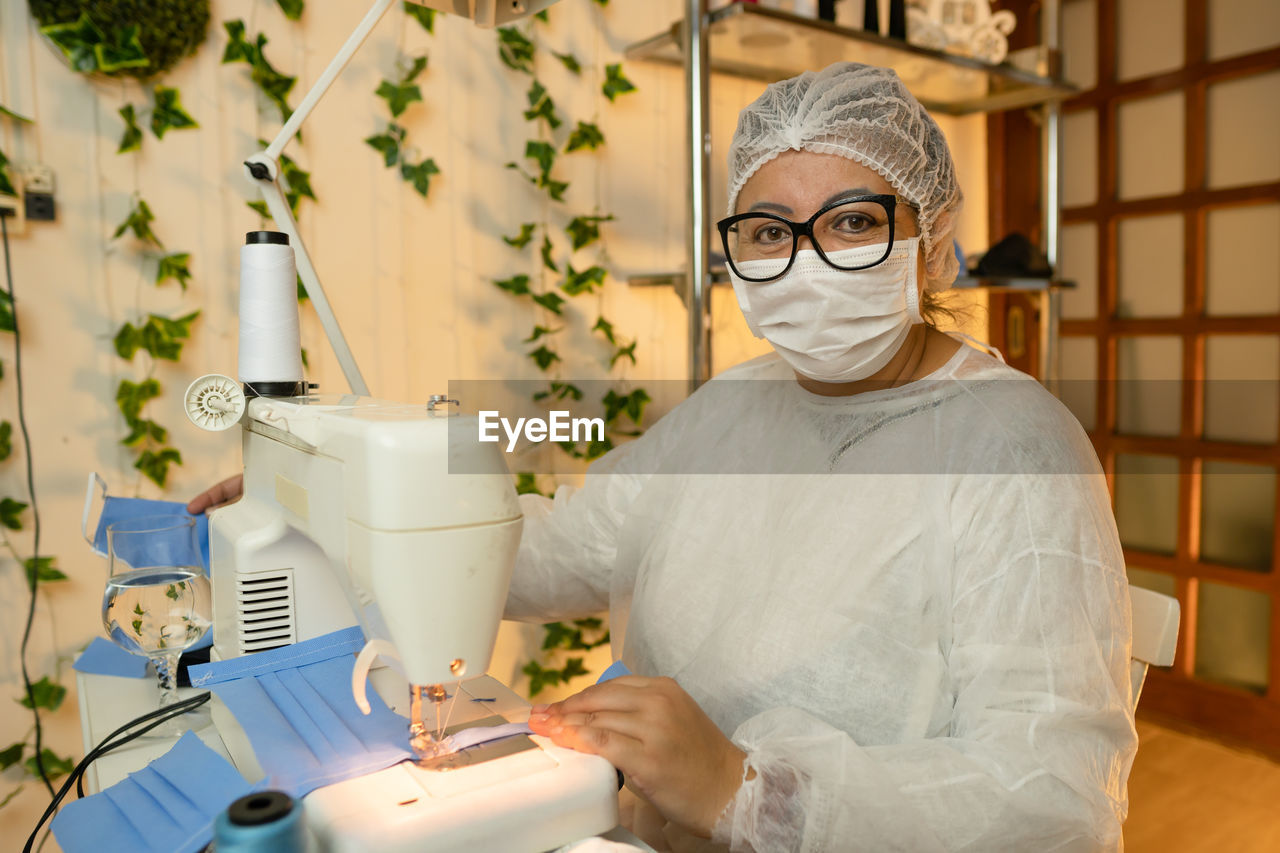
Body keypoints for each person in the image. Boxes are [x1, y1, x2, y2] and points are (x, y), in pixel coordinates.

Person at [192, 62, 1136, 853]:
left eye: (852, 221)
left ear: (931, 245)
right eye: (768, 232)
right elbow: (562, 547)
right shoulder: (732, 405)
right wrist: (353, 511)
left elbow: (1053, 798)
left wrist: (751, 789)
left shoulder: (1013, 451)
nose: (805, 262)